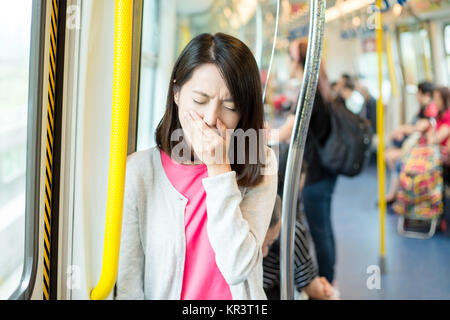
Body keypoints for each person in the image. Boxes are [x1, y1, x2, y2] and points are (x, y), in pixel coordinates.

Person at [116, 33, 278, 300]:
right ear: (176, 93)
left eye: (230, 106)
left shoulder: (261, 163)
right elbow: (129, 284)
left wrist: (218, 167)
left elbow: (237, 267)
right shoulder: (140, 172)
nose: (212, 117)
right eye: (200, 101)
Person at [267, 39, 337, 285]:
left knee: (318, 229)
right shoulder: (319, 88)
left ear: (297, 61)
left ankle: (325, 282)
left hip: (315, 172)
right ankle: (327, 279)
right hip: (325, 170)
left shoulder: (309, 93)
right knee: (323, 226)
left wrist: (255, 134)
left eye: (289, 57)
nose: (287, 63)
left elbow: (286, 132)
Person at [262, 195, 338, 300]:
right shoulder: (289, 231)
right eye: (267, 244)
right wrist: (332, 295)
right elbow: (311, 286)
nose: (264, 253)